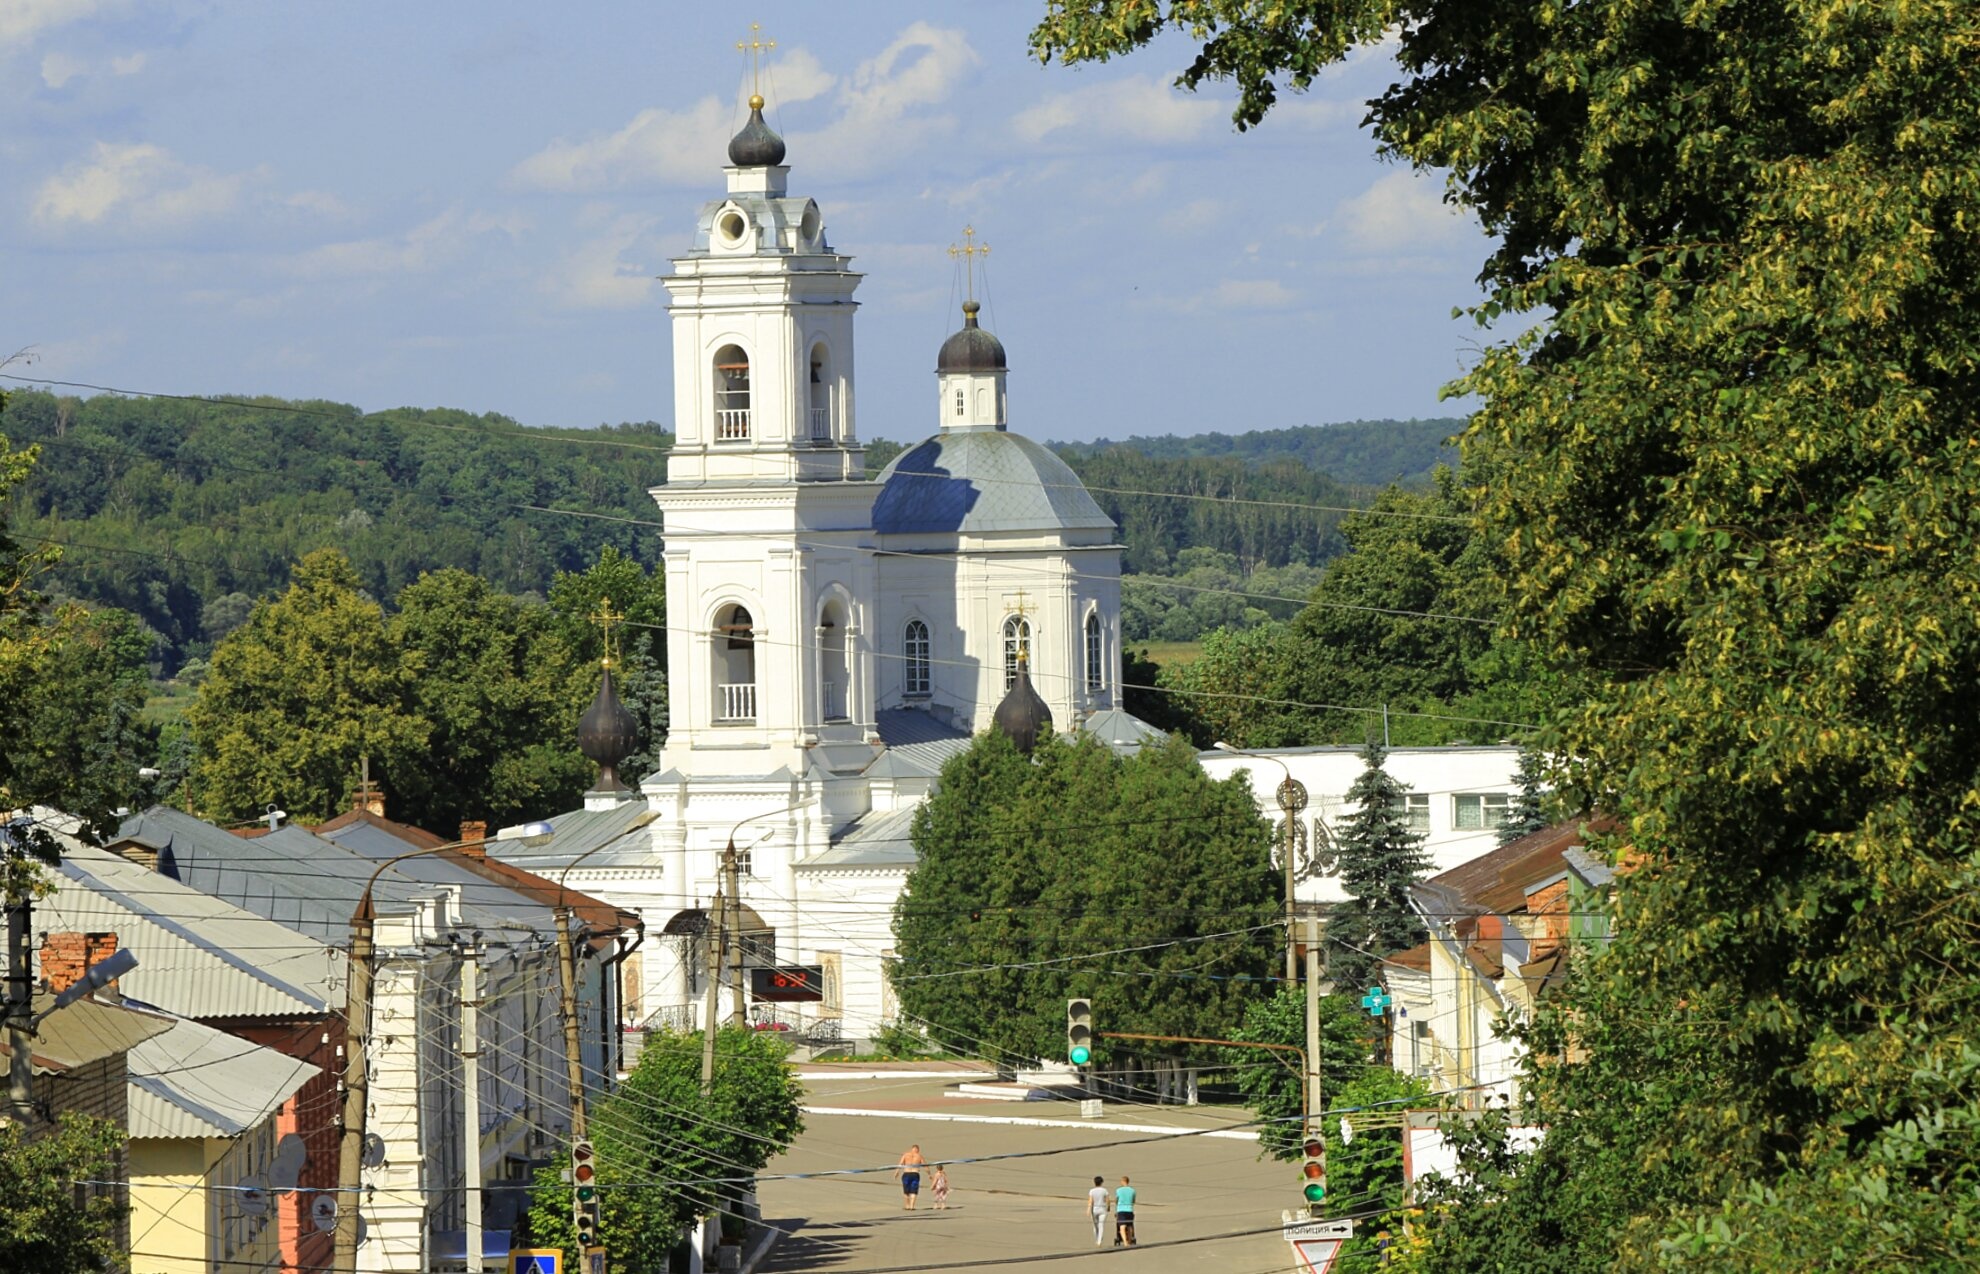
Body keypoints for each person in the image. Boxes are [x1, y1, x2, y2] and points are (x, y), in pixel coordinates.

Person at [897, 1144, 928, 1210]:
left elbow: (900, 1164)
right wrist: (929, 1174)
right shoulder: (919, 1156)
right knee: (914, 1191)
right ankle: (912, 1206)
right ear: (918, 1150)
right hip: (915, 1173)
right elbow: (925, 1166)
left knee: (906, 1190)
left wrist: (897, 1172)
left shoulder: (906, 1155)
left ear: (912, 1149)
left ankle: (907, 1205)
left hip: (906, 1173)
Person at [1084, 1175, 1109, 1246]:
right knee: (1101, 1225)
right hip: (1103, 1209)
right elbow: (1107, 1200)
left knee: (1095, 1226)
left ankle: (1097, 1239)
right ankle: (1099, 1241)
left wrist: (1088, 1209)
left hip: (1094, 1210)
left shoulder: (1092, 1191)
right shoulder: (1104, 1190)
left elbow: (1090, 1201)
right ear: (1101, 1182)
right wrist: (1108, 1207)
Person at [1113, 1176, 1137, 1247]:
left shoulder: (1118, 1190)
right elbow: (1133, 1201)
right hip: (1129, 1209)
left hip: (1121, 1210)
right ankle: (1129, 1240)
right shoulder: (1132, 1190)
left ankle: (1125, 1241)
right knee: (1129, 1226)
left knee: (1122, 1227)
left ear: (1123, 1181)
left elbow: (1116, 1200)